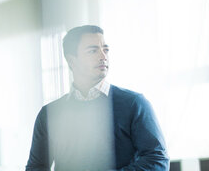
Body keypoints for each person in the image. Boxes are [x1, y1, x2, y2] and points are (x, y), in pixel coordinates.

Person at [26, 25, 169, 171]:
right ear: (72, 60)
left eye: (105, 50)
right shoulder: (49, 114)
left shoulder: (134, 104)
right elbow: (35, 167)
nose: (103, 56)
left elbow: (157, 160)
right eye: (93, 51)